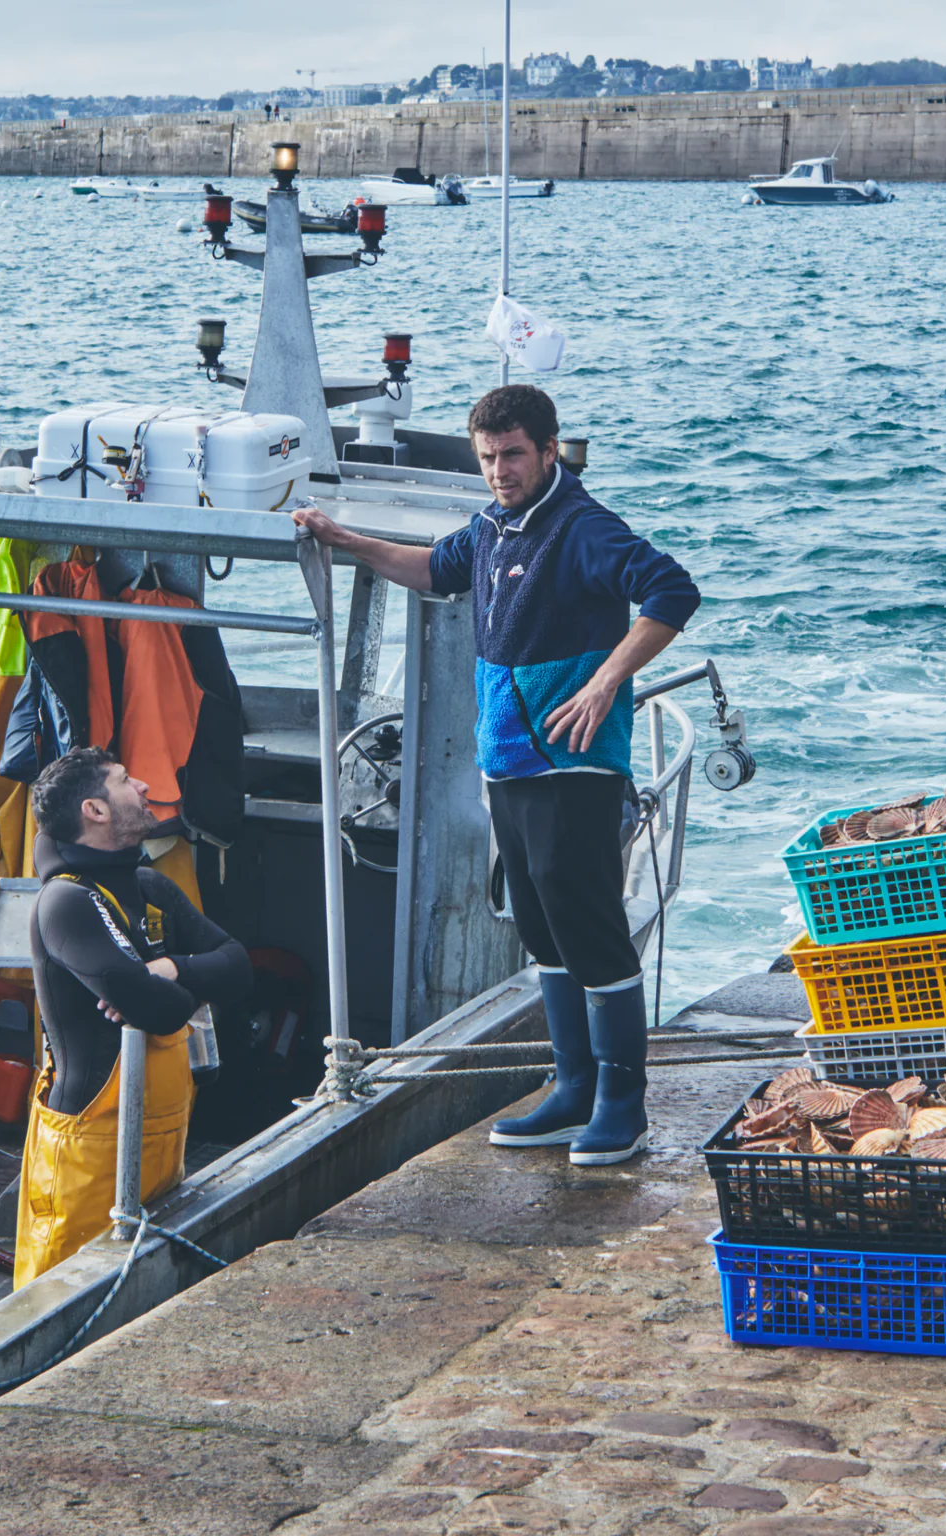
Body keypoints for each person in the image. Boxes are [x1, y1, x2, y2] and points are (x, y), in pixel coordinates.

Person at [293, 384, 699, 1165]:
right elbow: (432, 568)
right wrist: (344, 539)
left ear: (550, 450)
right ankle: (572, 1086)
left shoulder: (582, 528)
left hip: (571, 763)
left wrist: (605, 681)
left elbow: (672, 590)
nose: (499, 471)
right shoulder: (491, 527)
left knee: (590, 930)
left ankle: (623, 1102)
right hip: (508, 761)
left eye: (513, 454)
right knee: (541, 931)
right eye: (487, 457)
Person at [15, 747, 253, 1286]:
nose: (144, 786)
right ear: (94, 811)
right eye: (125, 780)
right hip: (89, 1146)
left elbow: (240, 967)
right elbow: (161, 1012)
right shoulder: (65, 902)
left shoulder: (148, 887)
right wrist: (174, 983)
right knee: (64, 1297)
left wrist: (167, 968)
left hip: (161, 1134)